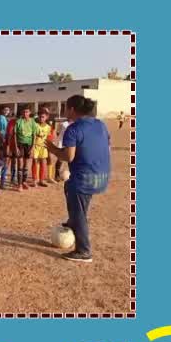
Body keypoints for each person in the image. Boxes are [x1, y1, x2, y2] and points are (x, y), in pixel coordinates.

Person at [45, 95, 111, 263]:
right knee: (69, 186)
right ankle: (74, 220)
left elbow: (69, 157)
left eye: (66, 108)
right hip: (102, 177)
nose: (65, 111)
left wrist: (52, 148)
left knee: (77, 203)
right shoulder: (100, 124)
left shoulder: (73, 129)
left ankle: (83, 251)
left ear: (72, 109)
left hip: (84, 179)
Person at [30, 108, 53, 188]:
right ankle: (34, 180)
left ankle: (41, 180)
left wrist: (49, 145)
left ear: (46, 117)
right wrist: (32, 147)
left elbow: (49, 137)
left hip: (43, 147)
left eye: (43, 117)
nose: (41, 118)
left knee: (43, 163)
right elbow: (33, 136)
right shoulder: (35, 125)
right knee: (35, 162)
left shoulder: (48, 127)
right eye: (40, 117)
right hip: (36, 146)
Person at [15, 107, 36, 191]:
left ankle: (24, 182)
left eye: (27, 112)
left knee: (26, 164)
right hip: (20, 144)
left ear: (30, 112)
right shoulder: (18, 122)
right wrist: (16, 147)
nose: (25, 113)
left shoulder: (32, 122)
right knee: (20, 163)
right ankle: (19, 184)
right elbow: (14, 135)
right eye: (23, 112)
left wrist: (33, 147)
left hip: (29, 144)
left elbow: (34, 135)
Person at [0, 106, 11, 188]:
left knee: (3, 157)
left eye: (8, 110)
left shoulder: (2, 118)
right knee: (2, 157)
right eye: (5, 110)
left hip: (3, 139)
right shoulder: (1, 118)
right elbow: (2, 130)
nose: (7, 111)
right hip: (2, 139)